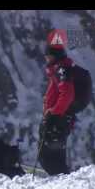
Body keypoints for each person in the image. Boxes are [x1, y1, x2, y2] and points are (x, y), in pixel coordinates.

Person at [38, 43, 76, 175]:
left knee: (50, 154)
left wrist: (54, 111)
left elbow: (67, 94)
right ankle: (60, 180)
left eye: (48, 57)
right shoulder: (57, 70)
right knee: (52, 154)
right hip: (57, 117)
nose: (46, 59)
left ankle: (60, 181)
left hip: (58, 118)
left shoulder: (62, 70)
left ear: (55, 57)